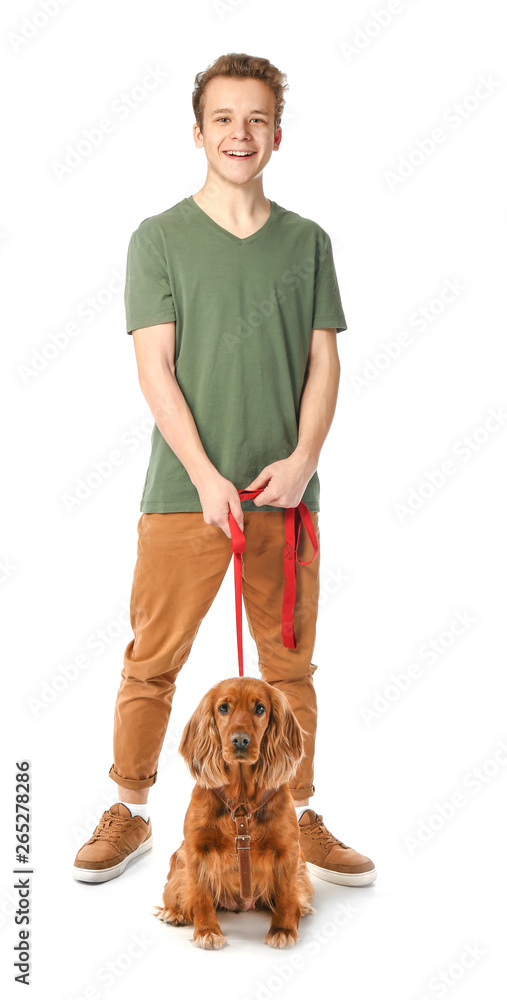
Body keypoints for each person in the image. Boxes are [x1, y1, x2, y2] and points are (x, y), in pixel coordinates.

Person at [73, 52, 376, 888]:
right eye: (222, 119)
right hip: (184, 493)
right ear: (197, 132)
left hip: (284, 496)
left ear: (276, 134)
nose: (238, 134)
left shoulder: (307, 243)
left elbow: (324, 365)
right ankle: (129, 809)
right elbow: (154, 371)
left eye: (254, 119)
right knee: (153, 660)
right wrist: (207, 477)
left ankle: (295, 811)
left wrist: (303, 459)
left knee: (288, 673)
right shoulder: (158, 239)